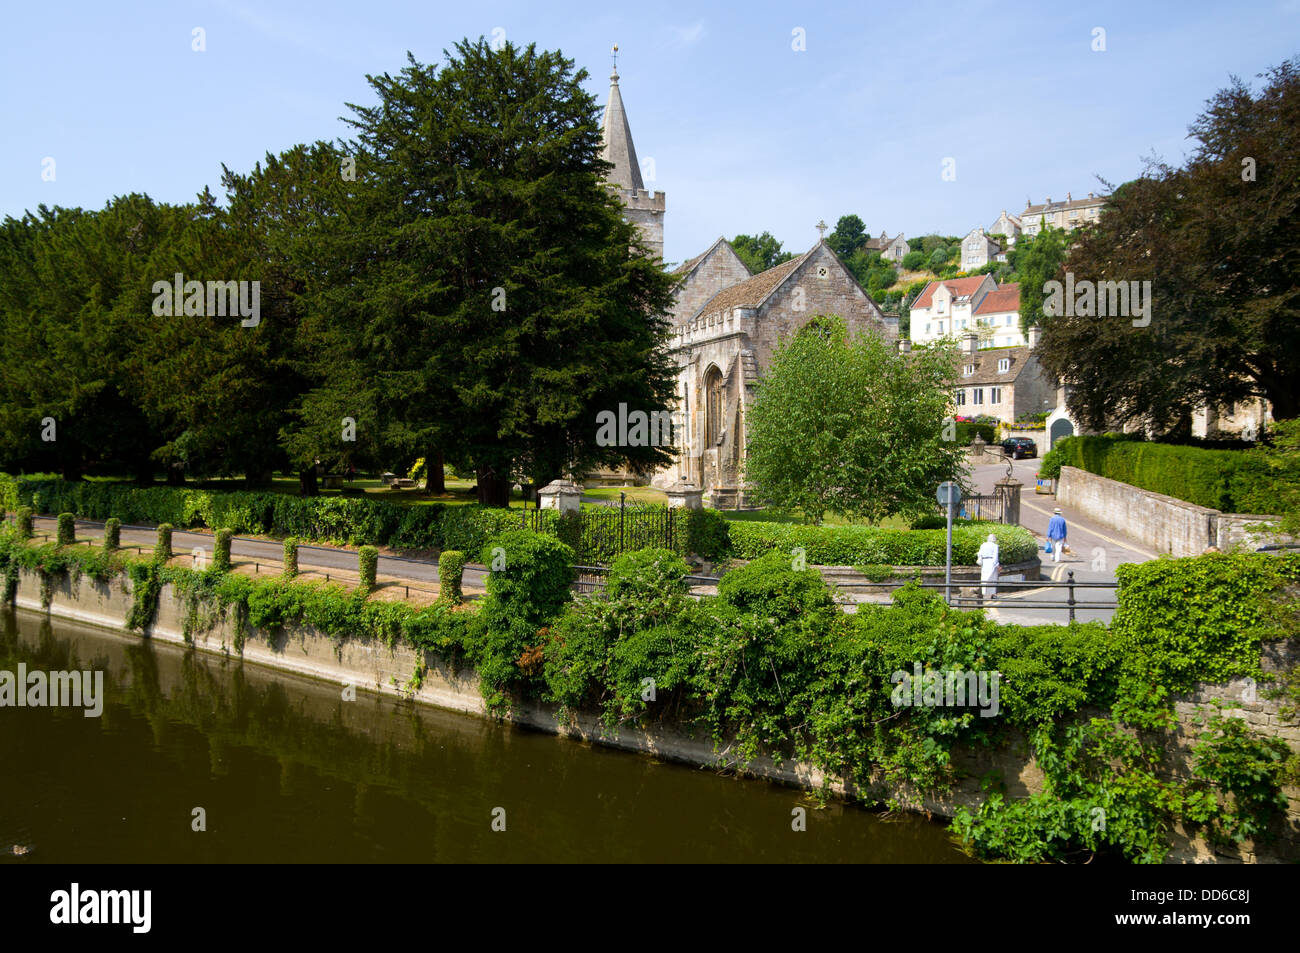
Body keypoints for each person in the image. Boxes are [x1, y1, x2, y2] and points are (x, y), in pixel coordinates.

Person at [976, 532, 1000, 600]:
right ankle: (993, 594)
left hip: (984, 562)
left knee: (984, 578)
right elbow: (995, 557)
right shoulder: (995, 546)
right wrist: (997, 565)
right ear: (993, 539)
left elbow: (979, 554)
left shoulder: (983, 545)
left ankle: (983, 594)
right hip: (991, 562)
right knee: (992, 579)